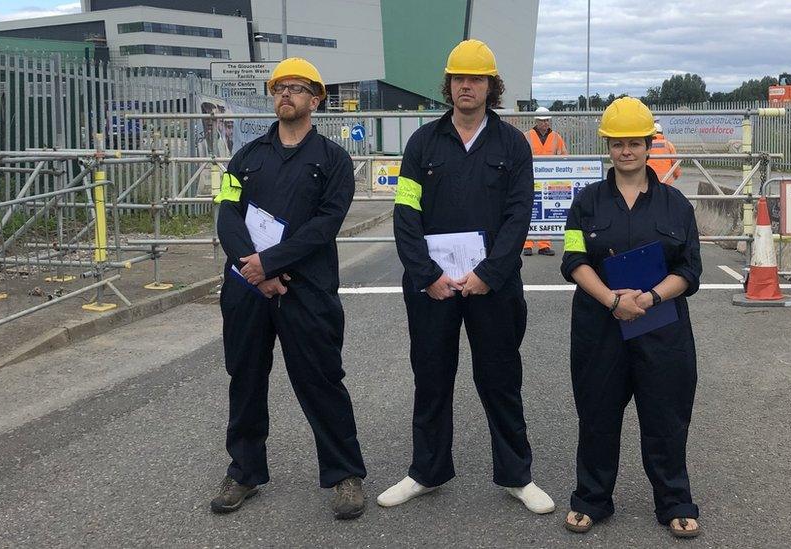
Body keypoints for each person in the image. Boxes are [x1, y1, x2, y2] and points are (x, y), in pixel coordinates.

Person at [378, 39, 554, 515]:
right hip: (432, 286)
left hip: (491, 286)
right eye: (459, 78)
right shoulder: (422, 143)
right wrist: (425, 274)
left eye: (476, 79)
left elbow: (520, 215)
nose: (466, 86)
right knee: (431, 378)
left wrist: (489, 273)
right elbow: (405, 213)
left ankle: (517, 476)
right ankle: (426, 472)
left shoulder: (512, 144)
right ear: (449, 85)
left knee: (500, 378)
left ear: (492, 86)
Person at [210, 57, 367, 519]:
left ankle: (344, 475)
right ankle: (244, 472)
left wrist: (272, 264)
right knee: (246, 379)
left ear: (316, 99)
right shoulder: (247, 156)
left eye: (297, 88)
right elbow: (227, 213)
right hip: (247, 287)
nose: (286, 95)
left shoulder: (334, 160)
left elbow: (325, 225)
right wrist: (254, 268)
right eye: (279, 88)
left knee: (321, 380)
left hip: (306, 289)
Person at [559, 97, 703, 538]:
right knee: (598, 416)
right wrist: (612, 301)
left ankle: (675, 501)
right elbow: (574, 259)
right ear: (609, 147)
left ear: (648, 145)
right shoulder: (586, 203)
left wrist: (652, 299)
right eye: (618, 143)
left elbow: (689, 269)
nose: (627, 151)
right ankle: (591, 498)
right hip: (600, 327)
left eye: (635, 143)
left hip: (661, 328)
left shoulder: (676, 205)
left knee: (666, 418)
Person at [524, 106, 568, 257]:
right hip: (531, 179)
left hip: (550, 180)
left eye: (547, 121)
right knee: (531, 210)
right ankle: (527, 244)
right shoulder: (527, 136)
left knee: (547, 212)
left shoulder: (556, 137)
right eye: (542, 121)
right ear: (536, 121)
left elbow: (564, 156)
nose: (545, 124)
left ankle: (544, 245)